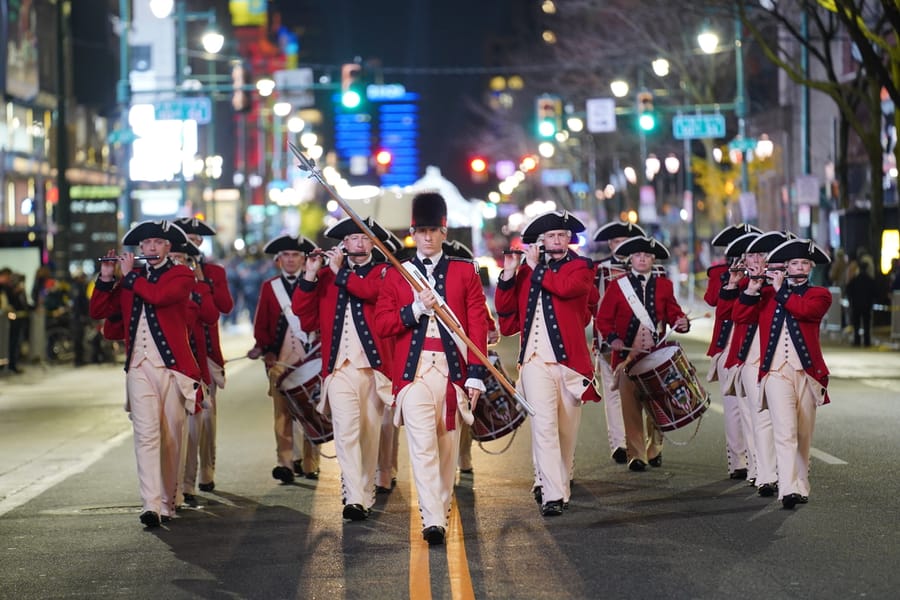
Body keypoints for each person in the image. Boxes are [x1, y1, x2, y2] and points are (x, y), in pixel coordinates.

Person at [373, 192, 488, 546]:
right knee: (422, 444)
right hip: (414, 373)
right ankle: (433, 519)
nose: (426, 237)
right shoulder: (397, 276)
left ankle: (440, 504)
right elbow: (383, 324)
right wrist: (415, 310)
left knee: (446, 447)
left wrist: (475, 373)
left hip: (453, 373)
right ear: (412, 232)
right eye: (420, 230)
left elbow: (477, 324)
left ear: (444, 231)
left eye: (432, 230)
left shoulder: (464, 271)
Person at [89, 220, 204, 527]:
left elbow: (159, 296)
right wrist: (106, 276)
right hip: (138, 366)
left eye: (157, 243)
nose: (151, 248)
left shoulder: (182, 274)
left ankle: (168, 499)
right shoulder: (132, 278)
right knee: (146, 435)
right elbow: (99, 312)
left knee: (171, 437)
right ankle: (150, 504)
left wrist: (127, 279)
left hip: (172, 368)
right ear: (139, 249)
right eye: (146, 244)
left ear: (168, 247)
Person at [495, 210, 597, 517]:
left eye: (561, 236)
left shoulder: (582, 266)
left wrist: (535, 267)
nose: (556, 240)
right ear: (541, 240)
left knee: (566, 431)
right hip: (534, 360)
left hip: (570, 363)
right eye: (551, 236)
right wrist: (509, 274)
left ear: (569, 240)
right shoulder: (526, 271)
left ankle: (557, 481)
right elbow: (507, 315)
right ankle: (553, 494)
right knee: (544, 426)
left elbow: (567, 289)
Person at [292, 216, 393, 521]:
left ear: (373, 243)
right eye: (351, 239)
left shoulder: (385, 272)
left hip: (374, 368)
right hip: (338, 368)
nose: (357, 244)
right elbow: (303, 316)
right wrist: (309, 276)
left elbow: (370, 292)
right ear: (343, 245)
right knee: (345, 432)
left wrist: (338, 273)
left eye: (363, 238)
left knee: (369, 432)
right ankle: (355, 496)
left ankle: (366, 488)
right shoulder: (326, 277)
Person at [733, 238, 832, 509]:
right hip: (775, 373)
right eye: (794, 263)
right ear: (785, 266)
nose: (799, 267)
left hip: (808, 373)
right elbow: (740, 316)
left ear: (810, 267)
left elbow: (806, 312)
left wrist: (779, 290)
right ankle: (787, 488)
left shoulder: (820, 294)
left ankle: (800, 484)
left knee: (803, 433)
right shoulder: (766, 294)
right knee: (784, 430)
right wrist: (753, 287)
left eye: (804, 263)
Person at [594, 236, 690, 472]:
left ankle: (654, 447)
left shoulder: (664, 285)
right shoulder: (618, 286)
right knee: (630, 406)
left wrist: (681, 321)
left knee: (657, 403)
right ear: (631, 259)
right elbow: (603, 320)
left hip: (656, 354)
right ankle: (636, 454)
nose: (642, 259)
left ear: (652, 259)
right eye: (638, 255)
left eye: (646, 256)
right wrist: (613, 339)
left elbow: (673, 313)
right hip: (628, 356)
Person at [247, 234, 322, 484]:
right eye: (286, 256)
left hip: (311, 358)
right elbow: (263, 322)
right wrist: (264, 349)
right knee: (282, 414)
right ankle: (285, 462)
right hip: (280, 359)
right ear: (279, 260)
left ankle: (311, 463)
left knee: (310, 412)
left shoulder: (315, 282)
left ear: (304, 259)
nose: (291, 260)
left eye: (296, 255)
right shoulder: (271, 287)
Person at [173, 217, 235, 497]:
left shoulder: (213, 271)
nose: (191, 241)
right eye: (186, 236)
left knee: (206, 418)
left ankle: (206, 472)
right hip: (177, 353)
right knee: (185, 421)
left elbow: (224, 307)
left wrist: (202, 281)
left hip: (207, 353)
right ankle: (183, 482)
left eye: (196, 238)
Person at [705, 223, 761, 480]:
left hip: (750, 341)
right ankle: (737, 461)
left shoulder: (761, 273)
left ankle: (756, 463)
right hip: (726, 342)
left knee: (753, 405)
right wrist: (731, 279)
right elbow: (712, 300)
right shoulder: (721, 272)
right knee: (733, 405)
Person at [591, 221, 647, 465]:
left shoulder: (647, 268)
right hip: (609, 339)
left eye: (625, 241)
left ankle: (649, 444)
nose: (620, 245)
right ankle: (620, 444)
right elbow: (592, 302)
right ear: (610, 244)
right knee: (613, 391)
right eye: (615, 242)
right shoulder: (599, 269)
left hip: (643, 339)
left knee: (646, 392)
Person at [845, 256, 877, 347]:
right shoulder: (870, 280)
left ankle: (857, 341)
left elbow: (848, 290)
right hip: (867, 305)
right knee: (866, 324)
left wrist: (851, 300)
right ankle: (867, 341)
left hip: (856, 305)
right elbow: (875, 292)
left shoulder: (855, 280)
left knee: (856, 324)